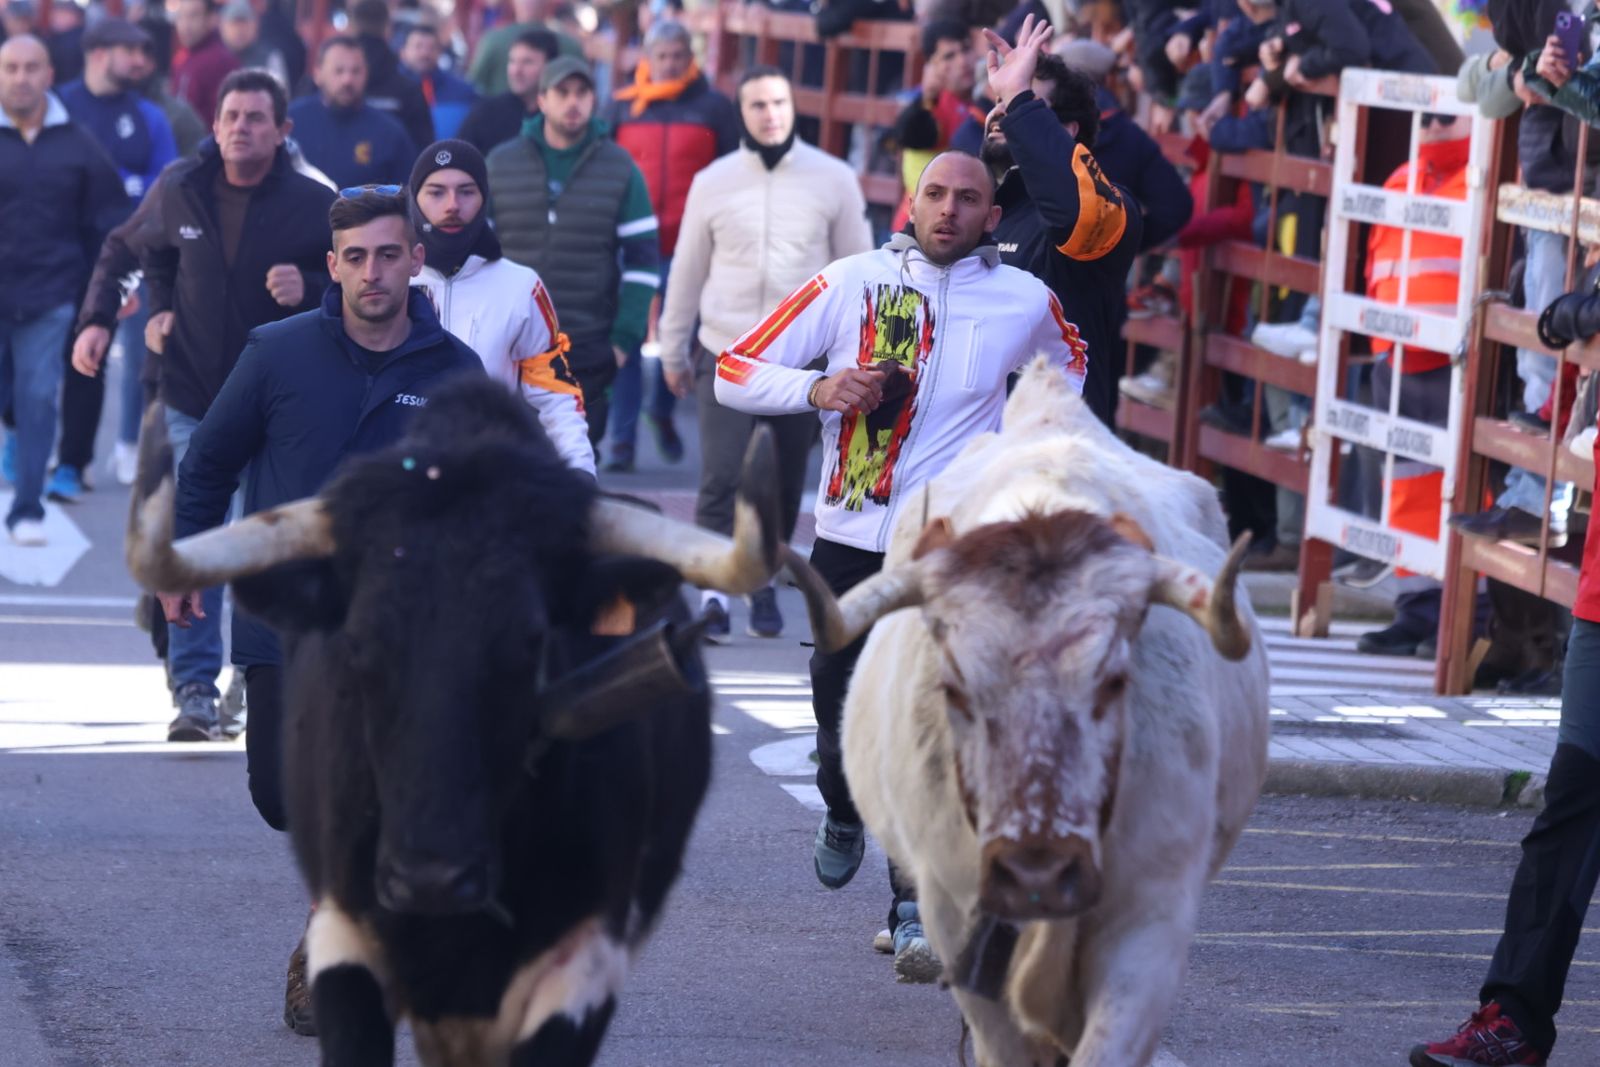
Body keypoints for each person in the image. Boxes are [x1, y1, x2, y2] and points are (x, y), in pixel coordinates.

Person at [714, 149, 1088, 982]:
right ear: (910, 204)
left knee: (926, 722)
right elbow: (733, 369)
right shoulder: (851, 281)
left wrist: (1024, 448)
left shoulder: (1026, 299)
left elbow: (1071, 374)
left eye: (969, 199)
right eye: (936, 195)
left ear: (995, 217)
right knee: (838, 704)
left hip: (949, 544)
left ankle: (914, 907)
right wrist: (817, 390)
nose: (949, 210)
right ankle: (842, 805)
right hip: (849, 532)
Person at [159, 187, 483, 1037]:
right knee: (280, 793)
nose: (371, 273)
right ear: (330, 264)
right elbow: (207, 465)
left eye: (387, 255)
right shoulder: (276, 353)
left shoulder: (454, 370)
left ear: (415, 260)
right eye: (354, 257)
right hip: (285, 621)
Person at [72, 68, 336, 739]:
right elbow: (128, 250)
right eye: (231, 116)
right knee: (193, 537)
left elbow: (364, 286)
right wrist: (104, 319)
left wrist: (308, 285)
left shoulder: (316, 202)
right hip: (191, 392)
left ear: (283, 130)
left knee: (259, 546)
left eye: (256, 117)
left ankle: (252, 681)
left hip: (277, 405)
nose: (242, 127)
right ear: (214, 125)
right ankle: (192, 688)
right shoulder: (180, 187)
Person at [659, 65, 870, 641]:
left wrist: (857, 356)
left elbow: (861, 270)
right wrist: (674, 347)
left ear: (791, 108)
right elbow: (687, 269)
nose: (771, 114)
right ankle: (712, 595)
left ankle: (762, 584)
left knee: (777, 483)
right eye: (758, 105)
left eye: (779, 102)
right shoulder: (713, 180)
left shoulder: (834, 178)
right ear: (742, 113)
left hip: (798, 365)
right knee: (721, 477)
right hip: (723, 351)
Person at [487, 56, 660, 449]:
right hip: (511, 344)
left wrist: (622, 342)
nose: (573, 102)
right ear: (542, 100)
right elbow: (478, 256)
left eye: (582, 93)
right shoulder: (500, 163)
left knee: (575, 467)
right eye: (562, 93)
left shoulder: (620, 167)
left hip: (586, 345)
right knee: (507, 465)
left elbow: (644, 263)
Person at [980, 16, 1141, 427]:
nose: (1002, 111)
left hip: (1053, 457)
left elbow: (1073, 211)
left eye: (1022, 104)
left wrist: (1018, 95)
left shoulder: (1111, 207)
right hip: (967, 454)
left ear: (1067, 131)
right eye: (999, 101)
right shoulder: (978, 208)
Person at [0, 35, 126, 547]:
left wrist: (117, 286)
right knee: (14, 400)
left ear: (50, 74)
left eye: (32, 67)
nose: (21, 77)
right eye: (10, 67)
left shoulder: (79, 144)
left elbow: (112, 223)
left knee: (37, 399)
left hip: (50, 296)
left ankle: (27, 510)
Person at [602, 19, 740, 473]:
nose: (669, 64)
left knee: (678, 338)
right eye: (661, 56)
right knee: (628, 336)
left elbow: (732, 173)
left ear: (690, 58)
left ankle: (660, 407)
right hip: (634, 241)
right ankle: (621, 441)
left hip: (691, 244)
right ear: (647, 59)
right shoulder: (623, 107)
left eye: (678, 56)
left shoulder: (715, 108)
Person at [408, 139, 593, 473]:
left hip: (487, 475)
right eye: (436, 192)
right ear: (415, 200)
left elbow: (555, 395)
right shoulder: (389, 280)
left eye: (466, 191)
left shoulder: (521, 286)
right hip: (401, 475)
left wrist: (579, 468)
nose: (452, 205)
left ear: (484, 199)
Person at [52, 17, 178, 495]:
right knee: (31, 357)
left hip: (129, 259)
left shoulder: (149, 116)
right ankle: (22, 435)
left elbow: (164, 186)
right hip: (55, 251)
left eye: (145, 52)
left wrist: (126, 186)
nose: (141, 61)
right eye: (132, 51)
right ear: (100, 52)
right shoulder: (58, 105)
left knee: (101, 355)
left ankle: (75, 461)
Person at [888, 18, 981, 233]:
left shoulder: (976, 99)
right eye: (949, 56)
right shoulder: (932, 107)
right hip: (922, 232)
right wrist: (928, 96)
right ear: (930, 66)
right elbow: (906, 132)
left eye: (966, 50)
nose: (963, 61)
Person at [288, 35, 416, 189]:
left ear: (366, 74)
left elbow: (407, 194)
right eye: (339, 71)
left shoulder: (390, 133)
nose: (347, 80)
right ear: (318, 73)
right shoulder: (291, 123)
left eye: (356, 71)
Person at [348, 0, 435, 150]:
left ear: (351, 26)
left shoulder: (325, 84)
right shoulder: (410, 89)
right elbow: (423, 147)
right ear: (387, 28)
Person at [456, 26, 557, 155]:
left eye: (527, 62)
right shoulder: (486, 114)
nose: (516, 71)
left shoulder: (561, 117)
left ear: (550, 66)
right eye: (512, 61)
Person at [467, 0, 580, 97]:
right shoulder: (570, 44)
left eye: (528, 62)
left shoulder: (493, 39)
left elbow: (473, 84)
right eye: (512, 61)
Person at [398, 24, 477, 140]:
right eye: (418, 46)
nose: (425, 53)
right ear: (403, 52)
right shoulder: (390, 90)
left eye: (431, 48)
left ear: (440, 52)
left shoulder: (462, 91)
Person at [170, 0, 240, 125]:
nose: (185, 25)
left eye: (193, 16)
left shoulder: (222, 61)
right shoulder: (181, 57)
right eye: (181, 16)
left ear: (211, 19)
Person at [218, 0, 289, 86]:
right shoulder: (213, 60)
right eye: (234, 24)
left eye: (245, 24)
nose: (239, 31)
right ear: (222, 27)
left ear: (256, 25)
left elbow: (280, 93)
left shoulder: (270, 57)